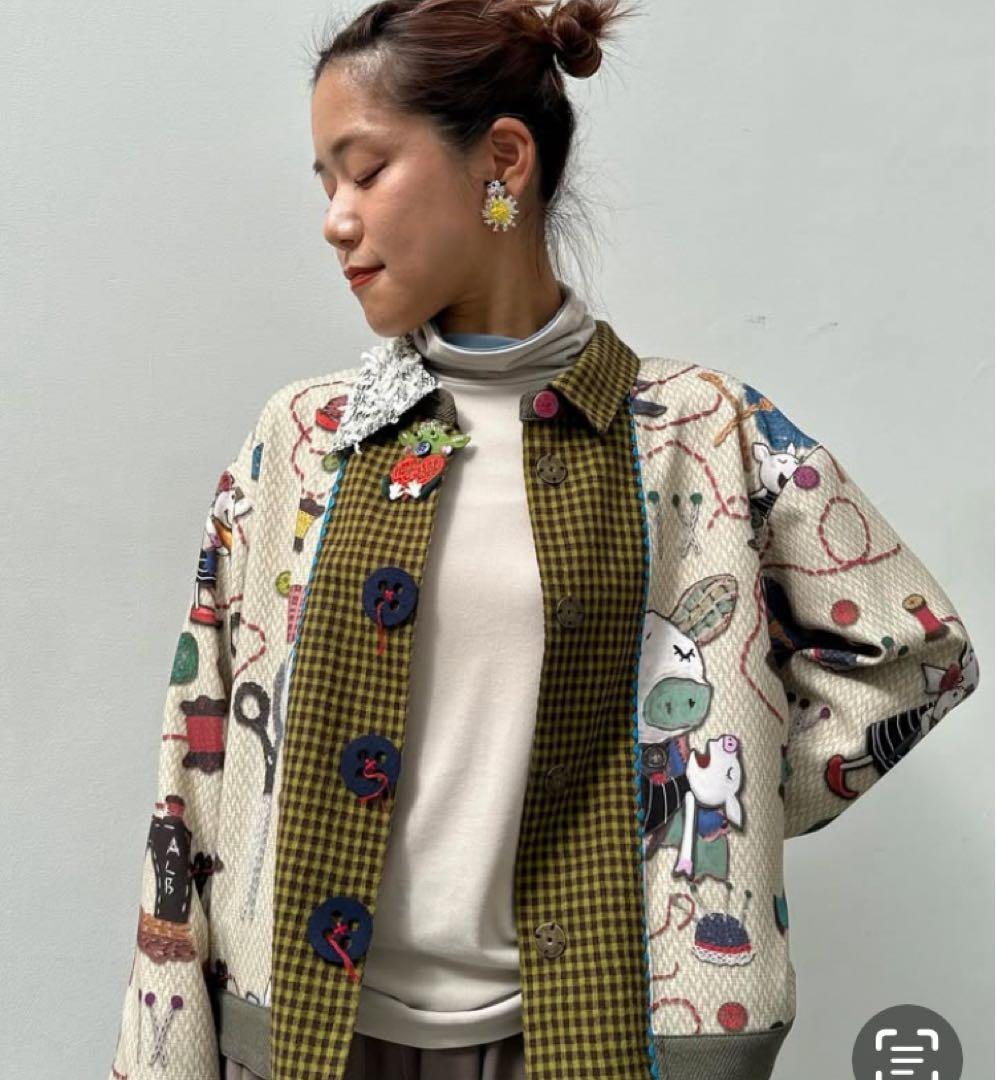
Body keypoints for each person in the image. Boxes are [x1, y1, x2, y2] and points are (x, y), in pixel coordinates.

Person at [107, 3, 980, 1080]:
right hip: (308, 1039)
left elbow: (915, 655)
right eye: (324, 183)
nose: (335, 219)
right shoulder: (300, 441)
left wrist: (701, 812)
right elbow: (193, 763)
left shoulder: (699, 436)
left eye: (366, 171)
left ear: (503, 161)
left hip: (599, 1040)